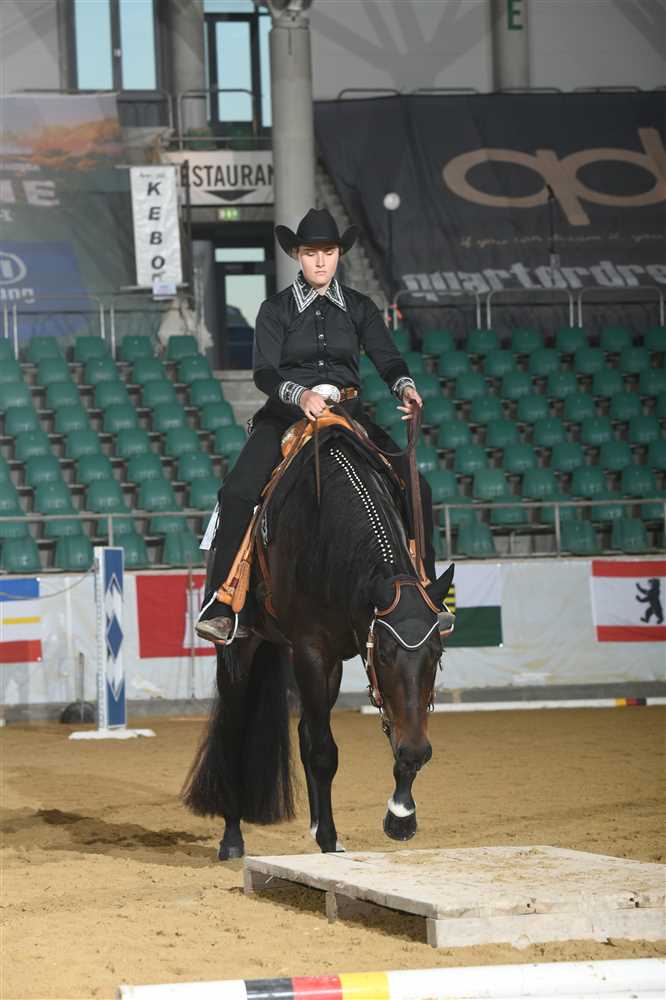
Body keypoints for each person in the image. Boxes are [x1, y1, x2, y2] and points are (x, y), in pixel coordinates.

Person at [195, 208, 440, 644]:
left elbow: (387, 358)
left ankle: (426, 591)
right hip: (286, 414)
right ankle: (222, 601)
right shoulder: (275, 309)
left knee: (417, 488)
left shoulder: (361, 308)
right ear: (297, 255)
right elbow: (264, 373)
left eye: (328, 251)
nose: (321, 261)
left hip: (347, 414)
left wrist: (405, 387)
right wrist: (299, 394)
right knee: (236, 492)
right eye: (311, 253)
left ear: (339, 254)